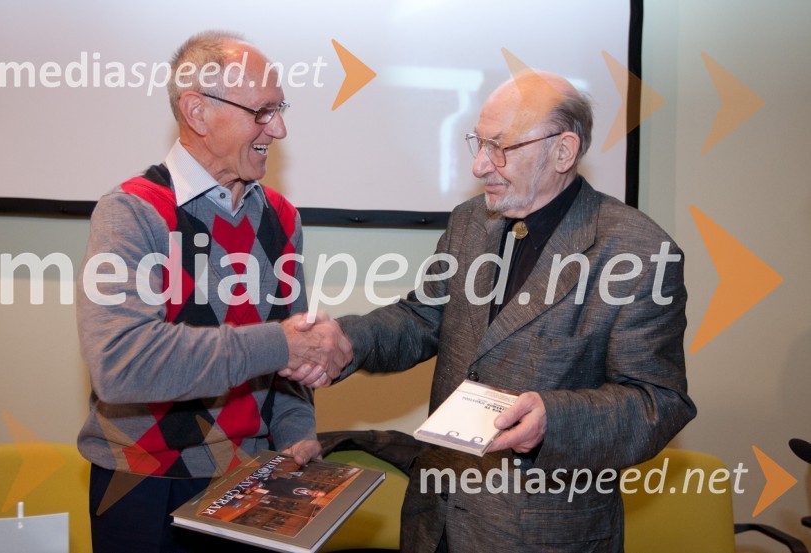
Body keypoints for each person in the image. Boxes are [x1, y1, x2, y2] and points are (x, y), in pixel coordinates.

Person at [305, 71, 697, 551]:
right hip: (436, 521)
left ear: (563, 151)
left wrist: (553, 418)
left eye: (499, 147)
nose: (478, 166)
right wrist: (348, 341)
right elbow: (423, 317)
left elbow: (657, 401)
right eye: (478, 142)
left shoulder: (638, 251)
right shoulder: (471, 222)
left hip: (543, 535)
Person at [75, 31, 351, 553]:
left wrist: (297, 431)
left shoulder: (282, 217)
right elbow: (120, 364)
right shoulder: (132, 212)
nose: (281, 128)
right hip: (141, 485)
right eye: (263, 112)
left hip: (254, 478)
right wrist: (282, 343)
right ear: (197, 112)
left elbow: (288, 355)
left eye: (281, 109)